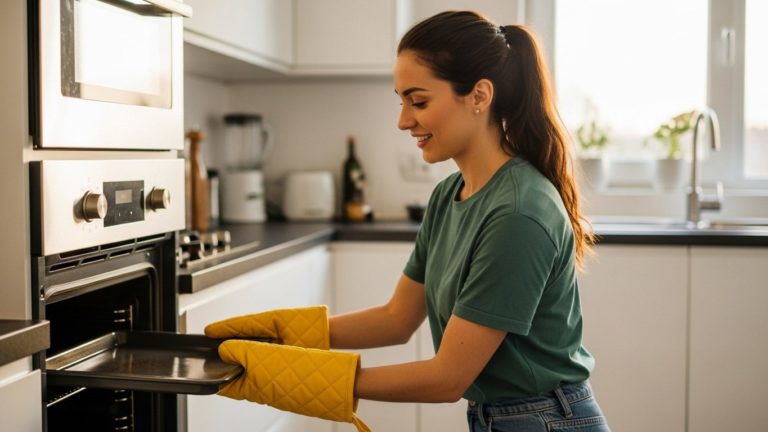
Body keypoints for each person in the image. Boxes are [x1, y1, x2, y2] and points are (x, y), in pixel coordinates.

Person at [204, 10, 610, 432]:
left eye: (419, 101)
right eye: (401, 101)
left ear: (479, 96)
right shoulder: (448, 196)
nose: (403, 120)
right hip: (500, 419)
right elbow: (397, 319)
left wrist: (301, 376)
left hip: (546, 421)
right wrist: (283, 335)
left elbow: (447, 378)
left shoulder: (518, 213)